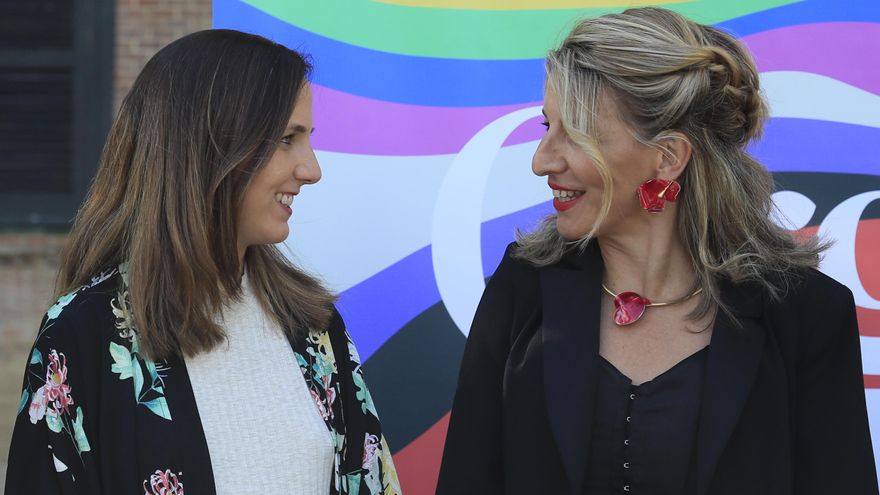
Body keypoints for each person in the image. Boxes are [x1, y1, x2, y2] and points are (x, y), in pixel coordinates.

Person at [437, 7, 877, 495]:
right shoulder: (523, 288)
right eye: (547, 127)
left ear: (667, 157)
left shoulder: (806, 315)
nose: (542, 161)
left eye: (576, 135)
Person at [5, 29, 400, 495]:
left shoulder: (314, 330)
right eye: (287, 139)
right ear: (210, 148)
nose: (312, 169)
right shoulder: (82, 335)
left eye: (307, 139)